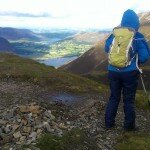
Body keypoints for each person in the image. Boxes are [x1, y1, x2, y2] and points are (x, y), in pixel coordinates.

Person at [104, 9, 150, 131]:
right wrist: (137, 61)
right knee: (128, 100)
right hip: (130, 73)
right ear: (136, 23)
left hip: (113, 71)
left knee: (114, 97)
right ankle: (129, 127)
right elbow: (145, 56)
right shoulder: (138, 37)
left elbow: (106, 48)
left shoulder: (114, 34)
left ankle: (109, 124)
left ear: (123, 21)